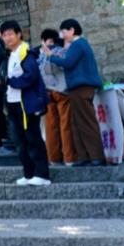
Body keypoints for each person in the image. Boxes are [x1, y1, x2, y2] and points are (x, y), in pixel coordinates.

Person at [42, 19, 105, 166]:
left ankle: (96, 155)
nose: (62, 35)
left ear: (71, 30)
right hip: (77, 88)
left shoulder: (78, 44)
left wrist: (51, 55)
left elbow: (68, 62)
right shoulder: (79, 44)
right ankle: (83, 157)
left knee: (86, 122)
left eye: (64, 32)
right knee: (77, 123)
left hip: (81, 88)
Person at [0, 21, 50, 186]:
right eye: (4, 35)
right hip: (13, 103)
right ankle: (29, 174)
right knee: (20, 141)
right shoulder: (10, 55)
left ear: (19, 34)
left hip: (26, 104)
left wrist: (11, 82)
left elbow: (31, 76)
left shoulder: (25, 52)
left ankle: (42, 175)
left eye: (10, 34)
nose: (7, 38)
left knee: (33, 138)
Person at [36, 28, 76, 166]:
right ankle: (69, 158)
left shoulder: (40, 54)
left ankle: (53, 158)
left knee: (51, 126)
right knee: (65, 125)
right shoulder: (61, 51)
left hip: (47, 92)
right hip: (62, 91)